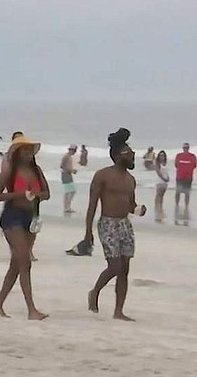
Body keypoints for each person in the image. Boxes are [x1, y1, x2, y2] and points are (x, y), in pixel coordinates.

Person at [85, 128, 146, 321]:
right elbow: (92, 204)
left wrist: (138, 209)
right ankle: (95, 291)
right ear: (119, 155)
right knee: (115, 266)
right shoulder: (102, 175)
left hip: (125, 224)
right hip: (108, 223)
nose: (133, 155)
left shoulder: (130, 180)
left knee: (125, 269)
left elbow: (130, 205)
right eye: (129, 152)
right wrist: (88, 232)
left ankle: (118, 310)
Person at [0, 134, 49, 320]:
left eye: (30, 149)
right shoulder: (10, 171)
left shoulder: (36, 170)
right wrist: (18, 195)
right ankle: (31, 309)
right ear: (17, 152)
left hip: (30, 217)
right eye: (24, 149)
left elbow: (47, 193)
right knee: (25, 261)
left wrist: (36, 194)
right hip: (12, 216)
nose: (27, 153)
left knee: (16, 264)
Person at [173, 142, 197, 226]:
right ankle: (177, 205)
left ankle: (186, 206)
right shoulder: (178, 156)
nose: (185, 149)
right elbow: (176, 165)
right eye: (184, 147)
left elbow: (194, 165)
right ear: (183, 148)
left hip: (188, 178)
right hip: (179, 177)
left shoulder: (192, 156)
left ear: (189, 148)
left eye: (187, 148)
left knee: (187, 193)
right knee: (178, 192)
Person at [60, 144, 78, 215]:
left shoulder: (69, 157)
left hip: (68, 174)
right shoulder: (66, 156)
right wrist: (71, 170)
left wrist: (71, 170)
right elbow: (62, 166)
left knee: (70, 191)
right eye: (74, 150)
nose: (74, 152)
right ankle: (67, 207)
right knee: (70, 191)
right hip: (65, 174)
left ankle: (67, 207)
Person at [153, 150, 169, 223]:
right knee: (158, 194)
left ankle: (160, 206)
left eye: (163, 155)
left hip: (165, 180)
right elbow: (158, 172)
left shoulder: (165, 163)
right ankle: (157, 207)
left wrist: (168, 178)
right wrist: (163, 178)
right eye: (161, 155)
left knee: (162, 195)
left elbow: (166, 171)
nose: (162, 157)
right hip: (160, 180)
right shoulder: (157, 163)